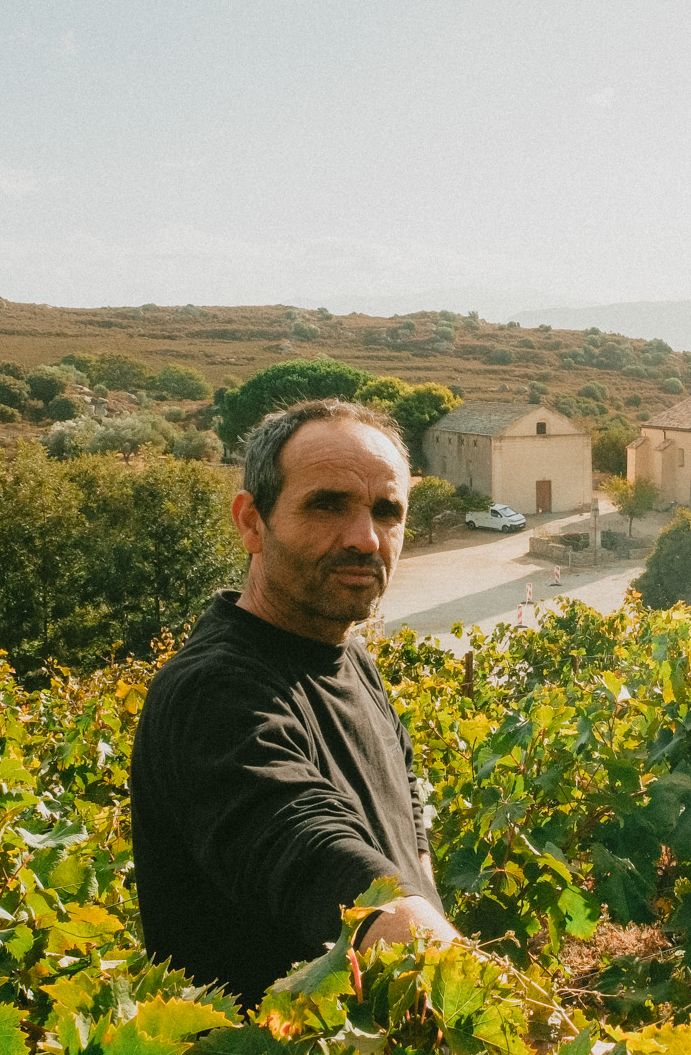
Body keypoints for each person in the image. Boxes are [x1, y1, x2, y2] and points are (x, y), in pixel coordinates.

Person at [130, 398, 457, 1007]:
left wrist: (430, 942)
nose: (365, 538)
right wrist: (501, 1012)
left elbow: (408, 831)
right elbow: (320, 861)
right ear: (252, 522)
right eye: (327, 505)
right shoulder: (212, 692)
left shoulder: (350, 657)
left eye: (386, 512)